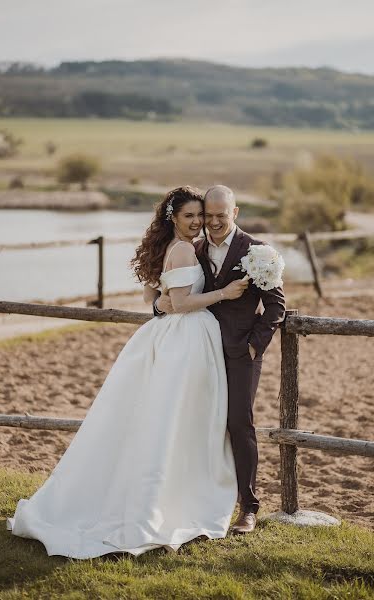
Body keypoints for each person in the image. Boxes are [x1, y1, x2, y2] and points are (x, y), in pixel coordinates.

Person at [6, 186, 248, 559]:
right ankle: (170, 500)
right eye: (190, 216)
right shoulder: (183, 248)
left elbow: (156, 297)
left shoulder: (176, 246)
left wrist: (161, 304)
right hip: (185, 341)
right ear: (174, 218)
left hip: (174, 337)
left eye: (201, 215)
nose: (199, 222)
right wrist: (224, 294)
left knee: (165, 417)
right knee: (180, 418)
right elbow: (180, 303)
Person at [155, 185, 286, 533]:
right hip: (199, 352)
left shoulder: (258, 252)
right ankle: (197, 498)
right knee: (199, 422)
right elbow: (168, 293)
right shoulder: (192, 249)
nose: (211, 222)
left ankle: (248, 508)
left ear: (235, 213)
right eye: (206, 215)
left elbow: (277, 306)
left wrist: (254, 346)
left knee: (239, 425)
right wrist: (157, 305)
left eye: (219, 216)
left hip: (240, 354)